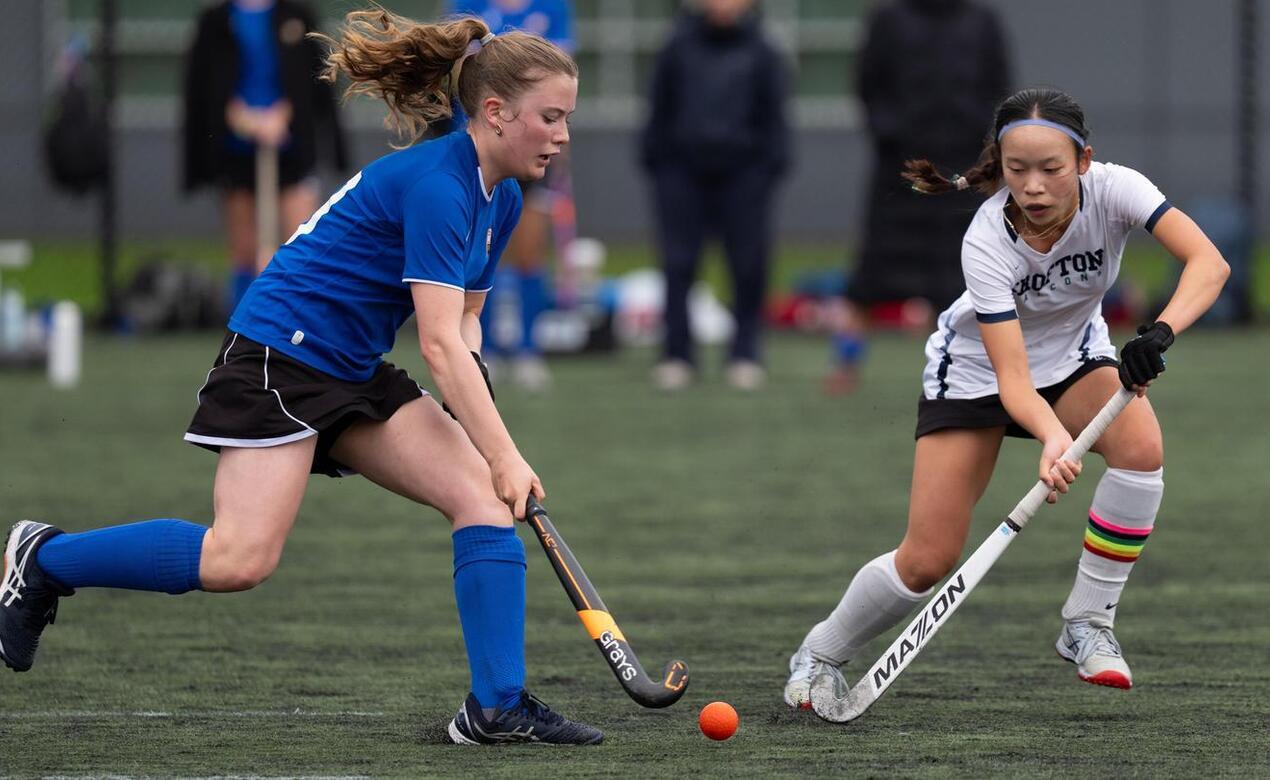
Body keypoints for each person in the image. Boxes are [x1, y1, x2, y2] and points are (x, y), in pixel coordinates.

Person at [3, 11, 601, 746]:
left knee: (479, 496)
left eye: (567, 118)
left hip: (350, 365)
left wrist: (481, 427)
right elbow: (440, 345)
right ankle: (43, 558)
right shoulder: (442, 186)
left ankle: (496, 707)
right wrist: (503, 449)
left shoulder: (500, 195)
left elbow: (466, 326)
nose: (563, 135)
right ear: (496, 112)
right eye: (551, 117)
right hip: (278, 359)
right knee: (238, 559)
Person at [784, 88, 1229, 708]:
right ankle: (821, 652)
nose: (1035, 187)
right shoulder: (986, 239)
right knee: (927, 559)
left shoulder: (1118, 188)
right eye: (1019, 170)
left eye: (1051, 169)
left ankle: (1088, 622)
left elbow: (1209, 263)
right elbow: (1012, 378)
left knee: (1142, 450)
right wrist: (1052, 439)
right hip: (976, 371)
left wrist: (1160, 332)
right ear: (1001, 165)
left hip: (1073, 355)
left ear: (1083, 160)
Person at [826, 0, 1010, 394]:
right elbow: (867, 85)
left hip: (961, 172)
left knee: (967, 277)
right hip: (901, 169)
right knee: (869, 278)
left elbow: (1000, 89)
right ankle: (845, 365)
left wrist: (981, 145)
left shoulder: (982, 22)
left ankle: (972, 374)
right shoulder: (888, 19)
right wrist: (890, 133)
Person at [641, 0, 790, 391]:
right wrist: (658, 161)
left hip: (744, 173)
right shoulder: (677, 46)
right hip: (681, 171)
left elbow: (775, 116)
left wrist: (768, 166)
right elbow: (659, 108)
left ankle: (745, 353)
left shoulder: (763, 50)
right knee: (678, 263)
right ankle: (677, 355)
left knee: (747, 264)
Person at [183, 0, 348, 311]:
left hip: (291, 146)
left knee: (301, 243)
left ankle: (301, 327)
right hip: (236, 150)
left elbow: (315, 81)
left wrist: (283, 115)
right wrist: (239, 117)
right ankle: (245, 331)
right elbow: (205, 84)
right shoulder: (215, 22)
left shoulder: (297, 16)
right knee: (246, 250)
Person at [450, 0, 577, 392]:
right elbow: (457, 73)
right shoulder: (467, 6)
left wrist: (554, 135)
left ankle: (526, 349)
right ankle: (479, 351)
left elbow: (557, 77)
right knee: (477, 254)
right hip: (480, 145)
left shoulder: (551, 8)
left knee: (527, 252)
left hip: (529, 146)